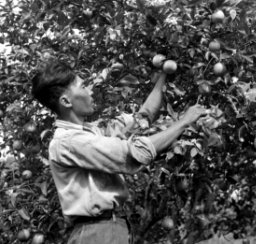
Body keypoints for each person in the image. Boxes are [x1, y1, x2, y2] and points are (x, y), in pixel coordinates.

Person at [31, 60, 208, 244]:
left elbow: (143, 117)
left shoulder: (93, 132)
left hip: (110, 228)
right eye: (83, 87)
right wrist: (184, 122)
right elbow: (137, 153)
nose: (90, 91)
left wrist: (164, 73)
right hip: (96, 233)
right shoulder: (69, 142)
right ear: (66, 101)